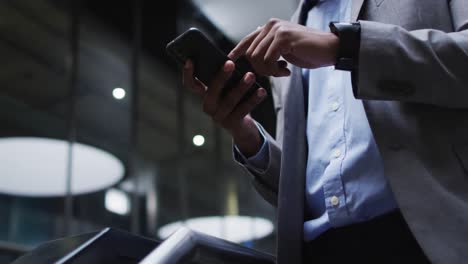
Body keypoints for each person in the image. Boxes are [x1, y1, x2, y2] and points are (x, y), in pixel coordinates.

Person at [182, 0, 468, 263]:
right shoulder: (288, 31)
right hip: (319, 250)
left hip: (427, 238)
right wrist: (246, 135)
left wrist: (344, 47)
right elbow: (301, 190)